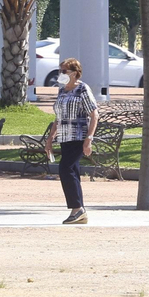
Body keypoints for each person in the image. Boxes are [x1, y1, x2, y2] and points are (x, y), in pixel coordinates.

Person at [43, 56, 97, 225]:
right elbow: (57, 118)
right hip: (65, 137)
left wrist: (89, 139)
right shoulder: (62, 91)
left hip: (78, 136)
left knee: (65, 169)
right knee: (71, 171)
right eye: (60, 71)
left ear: (74, 73)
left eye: (64, 71)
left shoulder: (82, 89)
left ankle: (77, 209)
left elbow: (94, 115)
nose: (61, 74)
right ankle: (79, 211)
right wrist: (50, 139)